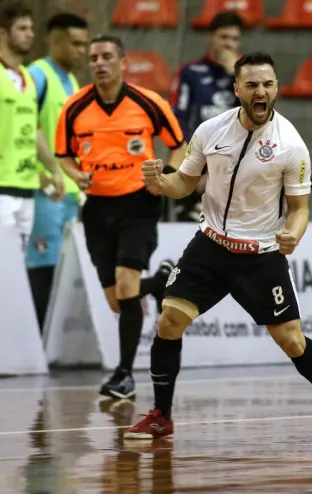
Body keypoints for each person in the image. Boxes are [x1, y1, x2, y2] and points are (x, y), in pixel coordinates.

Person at [123, 52, 312, 441]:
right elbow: (183, 185)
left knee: (291, 339)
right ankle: (161, 415)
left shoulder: (291, 145)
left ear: (276, 88)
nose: (261, 91)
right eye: (253, 84)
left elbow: (299, 210)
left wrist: (293, 233)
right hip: (209, 247)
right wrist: (161, 183)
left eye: (268, 84)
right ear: (237, 89)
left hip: (260, 257)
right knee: (169, 322)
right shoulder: (210, 131)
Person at [55, 34, 186, 400]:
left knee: (127, 286)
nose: (99, 62)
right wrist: (74, 174)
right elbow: (63, 153)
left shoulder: (147, 102)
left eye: (107, 56)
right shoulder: (74, 107)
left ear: (123, 62)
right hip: (97, 208)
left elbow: (180, 144)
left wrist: (168, 179)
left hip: (138, 204)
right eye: (94, 57)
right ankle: (160, 283)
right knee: (117, 300)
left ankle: (124, 374)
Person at [25, 12, 88, 332]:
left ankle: (50, 340)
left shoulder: (72, 82)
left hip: (70, 192)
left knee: (63, 272)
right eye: (75, 44)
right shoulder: (37, 76)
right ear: (55, 41)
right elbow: (22, 130)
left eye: (84, 44)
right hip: (44, 191)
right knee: (42, 266)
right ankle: (33, 341)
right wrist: (40, 175)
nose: (81, 51)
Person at [0, 1, 64, 250]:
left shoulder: (27, 76)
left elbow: (35, 129)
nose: (30, 34)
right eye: (22, 28)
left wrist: (53, 169)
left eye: (31, 28)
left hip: (26, 189)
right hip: (2, 189)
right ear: (3, 33)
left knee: (16, 266)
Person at [169, 10, 244, 222]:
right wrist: (195, 168)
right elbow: (178, 119)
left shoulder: (249, 75)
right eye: (223, 37)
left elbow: (261, 117)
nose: (229, 44)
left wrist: (236, 74)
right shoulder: (190, 72)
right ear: (211, 37)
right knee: (190, 233)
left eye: (234, 39)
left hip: (237, 168)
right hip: (198, 165)